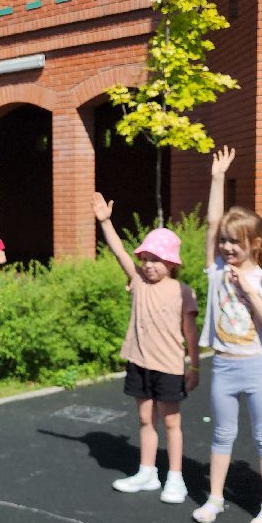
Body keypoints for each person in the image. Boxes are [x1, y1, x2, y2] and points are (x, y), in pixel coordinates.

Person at [192, 147, 262, 523]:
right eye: (226, 241)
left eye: (238, 242)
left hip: (255, 367)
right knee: (221, 434)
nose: (228, 247)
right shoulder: (216, 270)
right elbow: (213, 223)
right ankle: (215, 497)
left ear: (256, 245)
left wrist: (248, 289)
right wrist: (217, 179)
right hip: (225, 365)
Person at [93, 195, 200, 502]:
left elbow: (190, 332)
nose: (149, 265)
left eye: (157, 259)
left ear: (172, 262)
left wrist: (194, 366)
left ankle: (176, 478)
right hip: (140, 362)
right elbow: (118, 252)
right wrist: (104, 221)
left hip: (168, 366)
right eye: (146, 259)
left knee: (171, 422)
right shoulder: (138, 281)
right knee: (144, 419)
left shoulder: (182, 291)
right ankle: (147, 472)